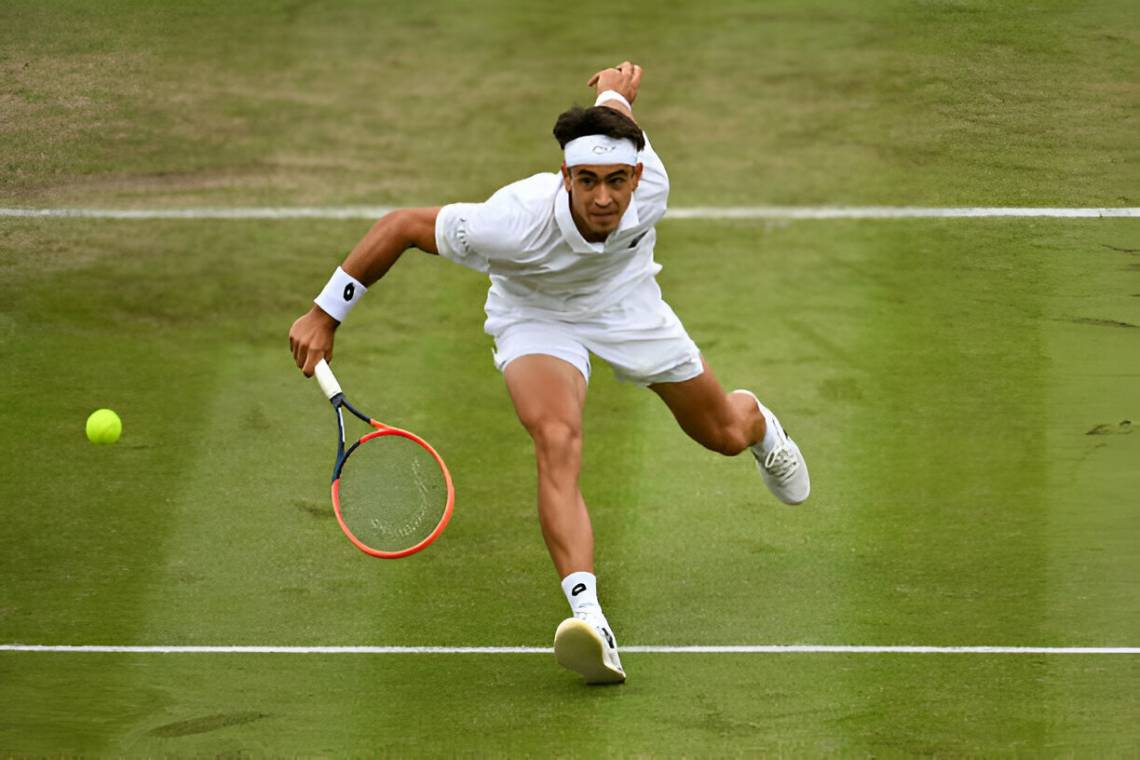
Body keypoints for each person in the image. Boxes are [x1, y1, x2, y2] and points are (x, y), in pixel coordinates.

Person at [289, 61, 810, 685]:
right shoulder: (509, 222)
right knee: (556, 438)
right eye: (586, 180)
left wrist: (617, 91)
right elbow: (402, 226)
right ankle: (590, 618)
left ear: (638, 176)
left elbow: (619, 115)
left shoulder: (654, 187)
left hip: (627, 305)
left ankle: (763, 430)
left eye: (618, 181)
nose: (602, 198)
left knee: (723, 431)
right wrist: (325, 313)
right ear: (564, 176)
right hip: (535, 314)